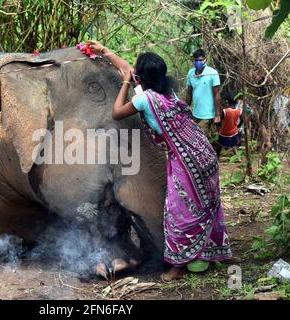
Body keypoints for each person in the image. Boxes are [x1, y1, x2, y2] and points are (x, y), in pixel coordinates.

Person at [87, 40, 232, 281]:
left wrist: (124, 82)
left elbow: (116, 111)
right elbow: (131, 70)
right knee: (205, 206)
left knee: (179, 212)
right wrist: (104, 50)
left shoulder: (144, 100)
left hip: (186, 161)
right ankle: (209, 254)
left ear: (141, 78)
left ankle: (178, 266)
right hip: (204, 153)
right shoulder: (168, 93)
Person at [186, 49, 221, 137]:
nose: (198, 62)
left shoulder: (212, 73)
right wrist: (186, 109)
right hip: (195, 113)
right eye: (196, 60)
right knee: (191, 135)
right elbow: (189, 93)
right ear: (193, 61)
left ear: (205, 60)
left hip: (208, 114)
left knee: (199, 137)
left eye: (200, 60)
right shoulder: (191, 73)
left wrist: (217, 114)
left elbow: (216, 94)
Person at [215, 93, 244, 158]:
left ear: (227, 101)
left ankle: (217, 157)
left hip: (224, 132)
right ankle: (238, 157)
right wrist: (237, 126)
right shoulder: (239, 111)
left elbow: (219, 121)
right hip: (234, 132)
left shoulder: (225, 111)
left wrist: (218, 128)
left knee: (219, 146)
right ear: (236, 101)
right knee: (234, 145)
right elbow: (242, 120)